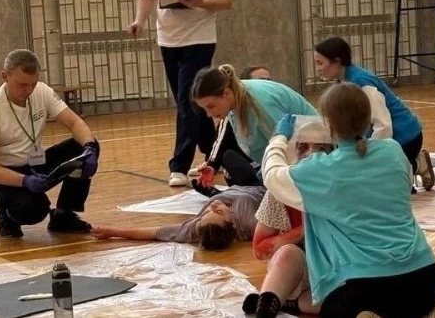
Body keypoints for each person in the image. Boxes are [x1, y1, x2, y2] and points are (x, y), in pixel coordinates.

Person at [260, 82, 435, 318]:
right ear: (368, 119)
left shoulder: (321, 170)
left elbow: (272, 175)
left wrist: (278, 138)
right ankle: (427, 313)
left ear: (328, 124)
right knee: (400, 303)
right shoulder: (393, 151)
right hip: (427, 280)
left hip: (368, 286)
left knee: (332, 307)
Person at [128, 0, 233, 187]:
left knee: (188, 101)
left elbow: (226, 0)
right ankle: (216, 154)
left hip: (199, 38)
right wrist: (139, 20)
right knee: (191, 103)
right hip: (168, 38)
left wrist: (202, 2)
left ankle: (179, 165)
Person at [0, 49, 100, 238]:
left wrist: (89, 148)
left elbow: (75, 123)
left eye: (33, 84)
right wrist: (24, 181)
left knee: (85, 146)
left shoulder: (42, 92)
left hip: (34, 164)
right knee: (34, 210)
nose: (28, 90)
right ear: (5, 76)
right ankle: (4, 213)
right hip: (1, 176)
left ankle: (63, 215)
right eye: (22, 84)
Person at [313, 36, 435, 192]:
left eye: (320, 63)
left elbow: (384, 125)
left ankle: (418, 164)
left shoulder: (362, 83)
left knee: (383, 186)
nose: (318, 68)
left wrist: (372, 157)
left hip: (406, 137)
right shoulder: (343, 81)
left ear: (337, 61)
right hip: (386, 137)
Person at [242, 119, 334, 317]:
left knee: (351, 303)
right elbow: (260, 249)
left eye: (320, 148)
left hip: (337, 272)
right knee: (287, 253)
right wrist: (303, 230)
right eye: (303, 147)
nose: (310, 154)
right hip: (298, 272)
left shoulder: (344, 186)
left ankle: (286, 303)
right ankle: (266, 307)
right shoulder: (280, 190)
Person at [189, 64, 317, 186]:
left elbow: (286, 148)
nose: (209, 114)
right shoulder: (234, 102)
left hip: (311, 157)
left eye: (211, 106)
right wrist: (212, 165)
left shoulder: (260, 103)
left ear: (226, 93)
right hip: (282, 162)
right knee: (230, 160)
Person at [90, 173, 265, 251]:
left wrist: (112, 231)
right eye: (219, 212)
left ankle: (213, 192)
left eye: (206, 213)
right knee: (230, 157)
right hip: (256, 185)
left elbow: (154, 232)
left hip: (233, 189)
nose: (213, 206)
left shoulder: (195, 228)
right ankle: (213, 191)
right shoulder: (250, 222)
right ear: (232, 222)